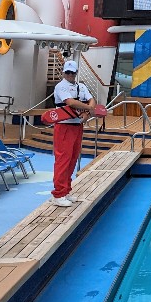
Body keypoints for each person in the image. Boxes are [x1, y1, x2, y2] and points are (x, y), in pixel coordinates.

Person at [50, 60, 94, 207]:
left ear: (76, 73)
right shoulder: (60, 87)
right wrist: (88, 108)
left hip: (77, 126)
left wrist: (88, 111)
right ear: (63, 72)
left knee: (73, 158)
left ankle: (66, 190)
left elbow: (91, 99)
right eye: (67, 72)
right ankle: (58, 193)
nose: (69, 75)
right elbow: (71, 103)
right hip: (64, 127)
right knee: (63, 159)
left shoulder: (81, 86)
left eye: (72, 72)